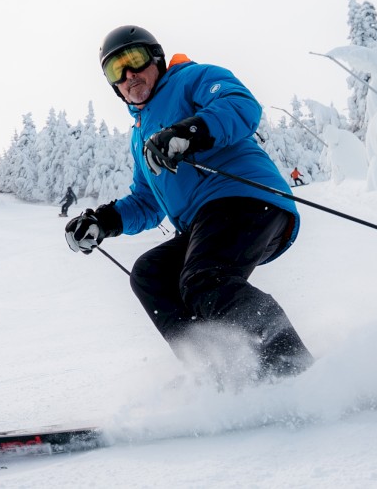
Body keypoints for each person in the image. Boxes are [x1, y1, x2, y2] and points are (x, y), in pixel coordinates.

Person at [64, 25, 313, 380]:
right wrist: (103, 221)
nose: (128, 75)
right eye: (115, 70)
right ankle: (219, 373)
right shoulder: (140, 135)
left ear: (156, 58)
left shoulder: (192, 78)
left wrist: (189, 131)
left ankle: (295, 369)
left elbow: (240, 105)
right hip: (207, 222)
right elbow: (147, 201)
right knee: (151, 275)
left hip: (247, 199)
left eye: (134, 60)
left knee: (205, 279)